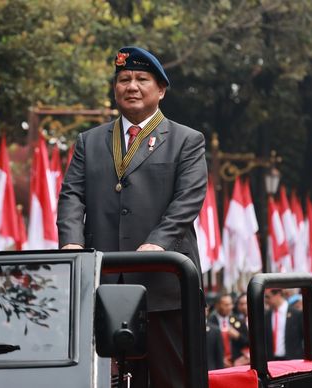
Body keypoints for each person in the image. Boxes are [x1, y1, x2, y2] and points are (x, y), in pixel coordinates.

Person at [57, 46, 208, 388]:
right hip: (104, 282)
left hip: (164, 283)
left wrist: (157, 243)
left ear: (161, 90)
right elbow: (72, 196)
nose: (132, 86)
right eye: (124, 79)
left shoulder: (186, 140)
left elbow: (188, 200)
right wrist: (71, 241)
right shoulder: (90, 141)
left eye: (142, 79)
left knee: (174, 377)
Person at [208, 294, 248, 367]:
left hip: (236, 363)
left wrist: (238, 336)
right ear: (217, 305)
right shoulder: (210, 323)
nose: (230, 307)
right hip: (218, 364)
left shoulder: (238, 321)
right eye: (226, 305)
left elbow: (247, 342)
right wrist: (220, 359)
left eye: (231, 304)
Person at [264, 288, 303, 360]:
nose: (266, 300)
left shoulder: (296, 314)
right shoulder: (267, 315)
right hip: (272, 361)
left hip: (292, 360)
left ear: (278, 295)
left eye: (268, 297)